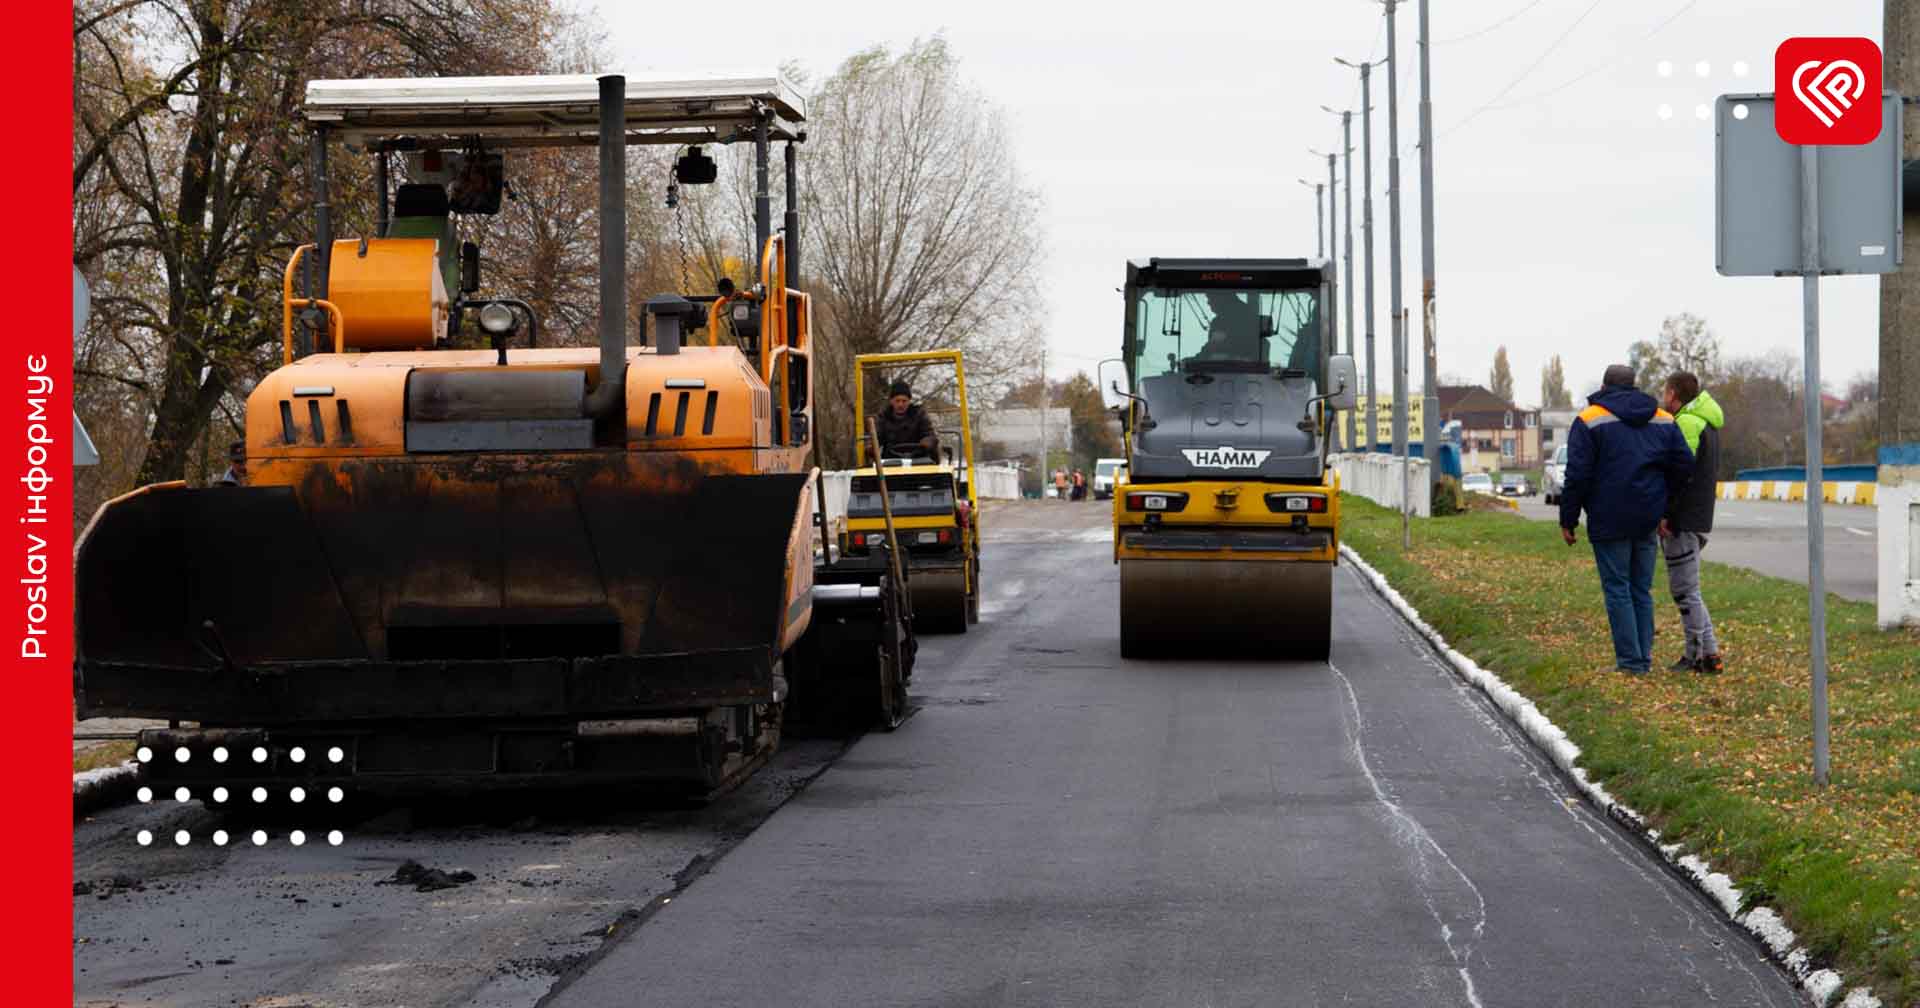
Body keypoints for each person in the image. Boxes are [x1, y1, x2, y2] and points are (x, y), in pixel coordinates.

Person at [1557, 364, 1693, 676]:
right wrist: (1665, 505)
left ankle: (1631, 663)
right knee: (1640, 589)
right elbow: (1684, 465)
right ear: (1634, 386)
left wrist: (1569, 518)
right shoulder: (1663, 419)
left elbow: (1577, 475)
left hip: (1608, 517)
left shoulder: (1589, 420)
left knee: (1617, 588)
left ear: (1604, 387)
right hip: (1647, 515)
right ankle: (1642, 658)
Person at [1660, 371, 1726, 674]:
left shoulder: (1687, 422)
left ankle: (1695, 656)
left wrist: (1666, 515)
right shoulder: (1706, 420)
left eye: (1665, 391)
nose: (1663, 397)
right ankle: (1710, 653)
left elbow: (1679, 475)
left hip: (1683, 518)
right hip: (1697, 515)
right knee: (1691, 588)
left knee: (1684, 591)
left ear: (1673, 394)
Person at [872, 380, 936, 458]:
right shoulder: (883, 417)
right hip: (891, 460)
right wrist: (871, 445)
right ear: (891, 401)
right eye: (897, 401)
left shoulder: (920, 415)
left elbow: (929, 434)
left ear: (909, 401)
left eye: (904, 401)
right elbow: (876, 437)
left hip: (917, 459)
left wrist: (927, 441)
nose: (900, 404)